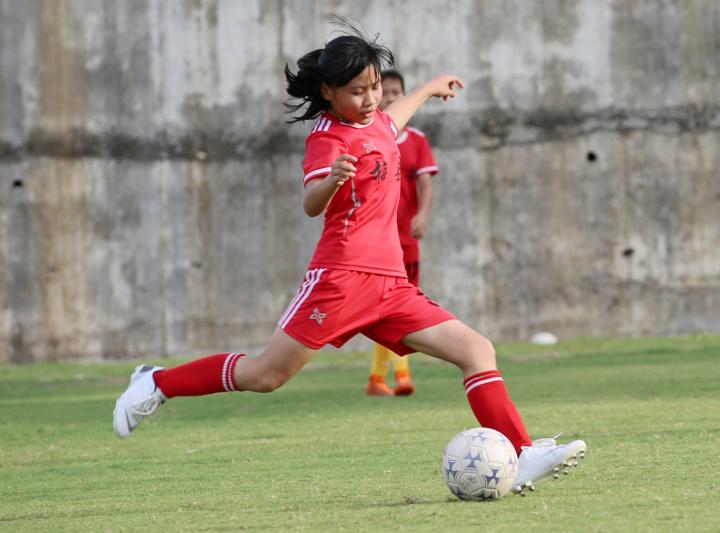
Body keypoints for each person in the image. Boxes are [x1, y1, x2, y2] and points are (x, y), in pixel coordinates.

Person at [113, 20, 586, 496]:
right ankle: (157, 383)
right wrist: (331, 180)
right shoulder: (327, 139)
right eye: (357, 91)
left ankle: (522, 453)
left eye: (374, 86)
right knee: (266, 375)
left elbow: (393, 117)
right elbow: (310, 204)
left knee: (476, 350)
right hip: (340, 279)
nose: (370, 98)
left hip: (391, 286)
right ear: (328, 91)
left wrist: (428, 88)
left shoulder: (376, 120)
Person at [365, 69, 438, 397]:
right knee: (385, 308)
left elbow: (425, 182)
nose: (392, 98)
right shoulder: (369, 139)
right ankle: (399, 376)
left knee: (398, 306)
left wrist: (422, 215)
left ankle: (378, 379)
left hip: (405, 239)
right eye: (387, 92)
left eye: (398, 92)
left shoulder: (417, 140)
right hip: (376, 242)